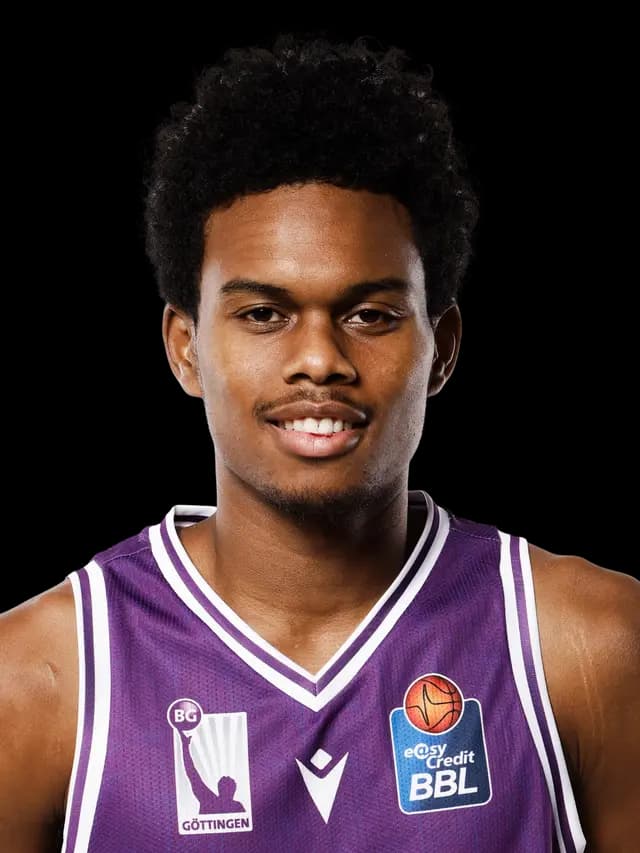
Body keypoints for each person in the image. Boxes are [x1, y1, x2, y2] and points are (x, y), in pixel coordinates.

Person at [1, 31, 638, 853]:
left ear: (442, 347)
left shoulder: (586, 644)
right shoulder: (41, 679)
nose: (318, 360)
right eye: (264, 313)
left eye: (369, 314)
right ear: (185, 347)